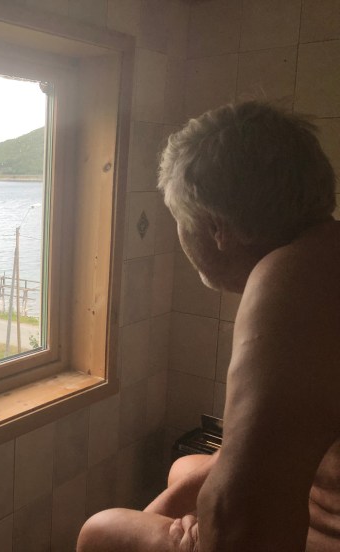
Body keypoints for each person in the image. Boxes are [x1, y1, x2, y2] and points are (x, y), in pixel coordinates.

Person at [77, 101, 340, 551]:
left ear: (217, 228)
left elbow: (240, 523)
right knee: (184, 471)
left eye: (180, 221)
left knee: (102, 530)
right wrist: (164, 515)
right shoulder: (326, 253)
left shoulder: (291, 278)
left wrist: (184, 537)